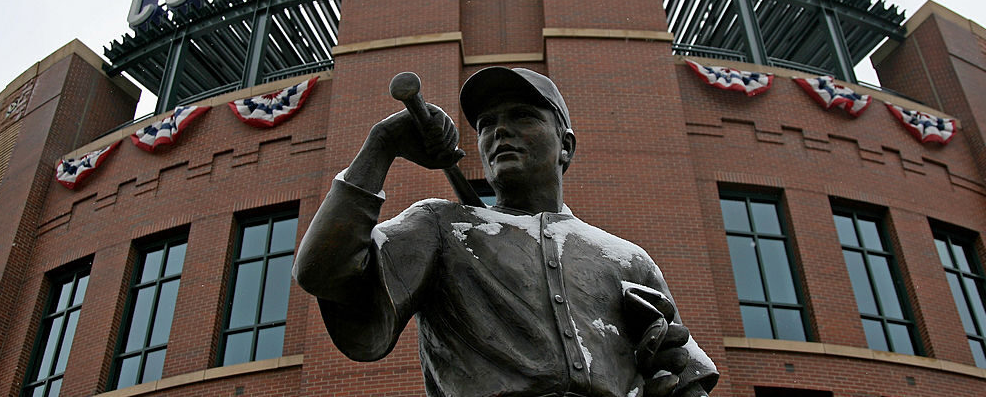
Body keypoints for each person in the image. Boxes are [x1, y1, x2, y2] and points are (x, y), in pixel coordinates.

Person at [293, 67, 718, 397]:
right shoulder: (441, 227)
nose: (499, 131)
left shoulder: (626, 258)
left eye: (522, 116)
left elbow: (686, 379)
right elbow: (323, 271)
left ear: (565, 146)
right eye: (486, 123)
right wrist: (382, 145)